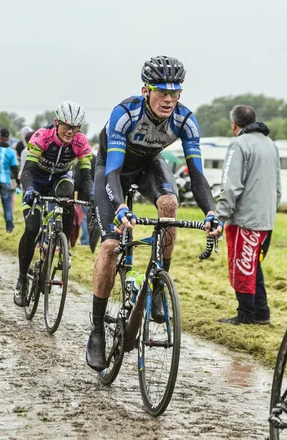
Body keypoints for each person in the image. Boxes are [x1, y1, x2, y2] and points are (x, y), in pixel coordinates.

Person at [86, 55, 223, 372]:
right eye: (162, 91)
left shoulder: (185, 119)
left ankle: (158, 285)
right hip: (112, 169)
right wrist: (120, 207)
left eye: (175, 92)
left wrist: (211, 212)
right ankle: (96, 331)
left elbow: (197, 175)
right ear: (145, 90)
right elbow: (113, 173)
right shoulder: (125, 113)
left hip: (149, 165)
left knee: (170, 205)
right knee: (109, 246)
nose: (169, 99)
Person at [13, 101, 93, 307]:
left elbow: (85, 175)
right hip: (36, 180)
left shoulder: (81, 142)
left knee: (67, 199)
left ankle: (61, 244)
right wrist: (30, 190)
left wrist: (92, 194)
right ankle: (22, 278)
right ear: (56, 122)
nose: (70, 131)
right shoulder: (42, 136)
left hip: (60, 178)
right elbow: (28, 169)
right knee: (32, 228)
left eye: (75, 127)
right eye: (66, 125)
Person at [215, 105, 281, 325]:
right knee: (254, 264)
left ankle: (246, 315)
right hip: (266, 220)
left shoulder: (238, 144)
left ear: (234, 124)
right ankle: (262, 313)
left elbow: (230, 186)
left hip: (245, 220)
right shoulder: (270, 144)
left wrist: (219, 216)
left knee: (242, 266)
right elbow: (278, 187)